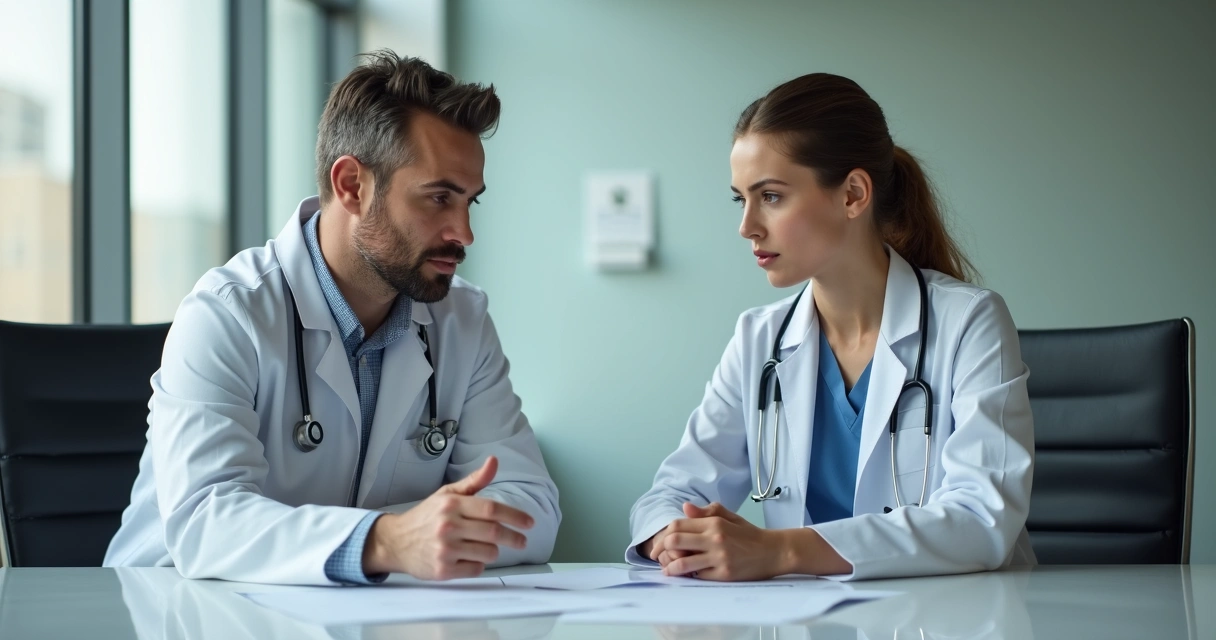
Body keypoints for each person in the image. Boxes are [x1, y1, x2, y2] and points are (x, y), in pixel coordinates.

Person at [104, 51, 560, 585]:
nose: (464, 232)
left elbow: (531, 507)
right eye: (438, 198)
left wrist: (414, 540)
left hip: (356, 617)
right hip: (176, 611)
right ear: (351, 186)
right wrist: (388, 540)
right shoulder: (228, 313)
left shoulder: (462, 319)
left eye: (469, 203)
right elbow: (206, 520)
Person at [627, 73, 1035, 581]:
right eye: (741, 199)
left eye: (771, 196)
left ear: (853, 194)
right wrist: (675, 535)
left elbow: (982, 520)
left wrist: (781, 551)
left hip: (951, 620)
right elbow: (672, 493)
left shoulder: (969, 321)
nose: (747, 225)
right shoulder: (760, 340)